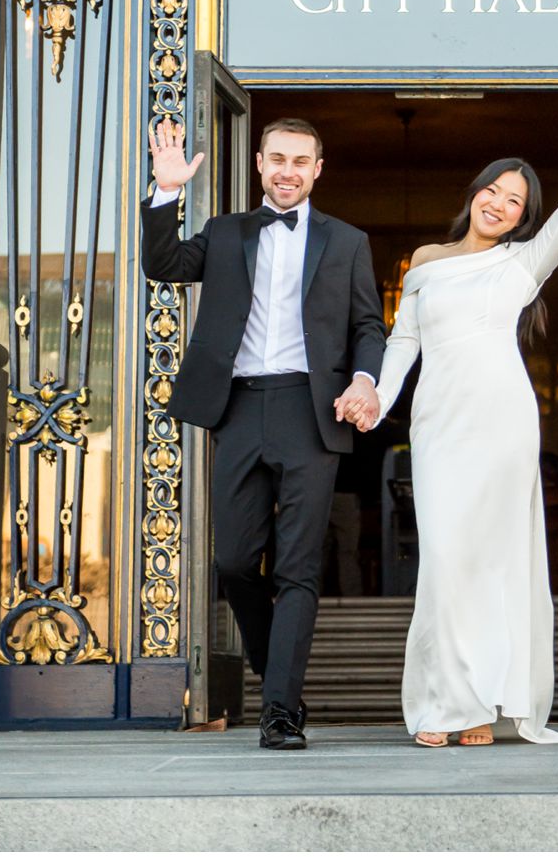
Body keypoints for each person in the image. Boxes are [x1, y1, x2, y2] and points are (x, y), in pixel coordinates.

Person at [335, 82, 558, 747]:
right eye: (495, 190)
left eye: (516, 201)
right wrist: (377, 398)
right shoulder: (423, 262)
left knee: (493, 561)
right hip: (439, 425)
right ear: (473, 191)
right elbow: (403, 343)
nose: (501, 204)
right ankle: (441, 700)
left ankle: (479, 705)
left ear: (523, 216)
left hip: (503, 422)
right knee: (445, 560)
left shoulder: (523, 263)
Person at [141, 116, 387, 750]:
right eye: (277, 158)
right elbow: (163, 263)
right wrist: (166, 192)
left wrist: (366, 379)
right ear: (259, 163)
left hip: (312, 410)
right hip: (240, 407)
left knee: (299, 567)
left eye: (301, 161)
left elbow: (368, 324)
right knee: (233, 562)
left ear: (318, 169)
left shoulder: (349, 241)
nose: (288, 171)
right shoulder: (226, 234)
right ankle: (273, 664)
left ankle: (281, 709)